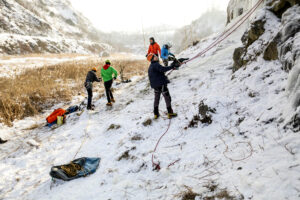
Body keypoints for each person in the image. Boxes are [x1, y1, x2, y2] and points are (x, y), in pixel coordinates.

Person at [147, 53, 179, 119]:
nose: (156, 56)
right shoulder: (156, 64)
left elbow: (158, 73)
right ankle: (170, 113)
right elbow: (163, 69)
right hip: (161, 84)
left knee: (157, 99)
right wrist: (172, 66)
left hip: (155, 86)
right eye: (155, 56)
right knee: (167, 98)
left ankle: (156, 114)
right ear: (153, 58)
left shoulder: (150, 67)